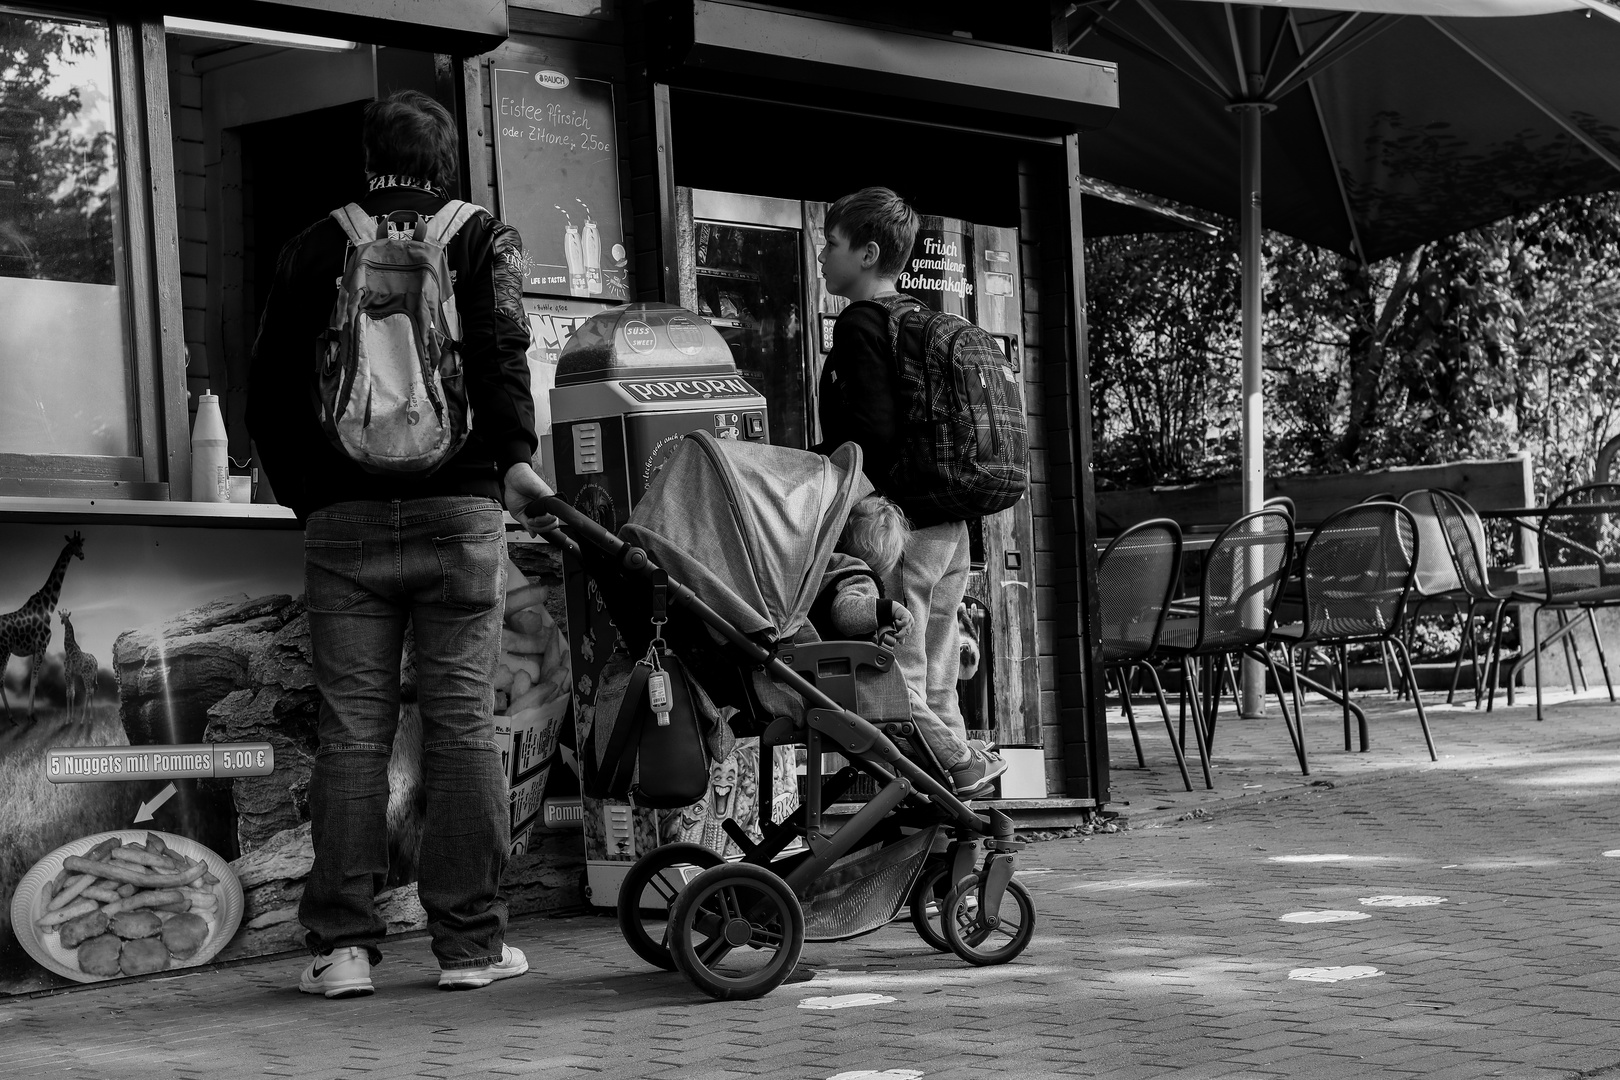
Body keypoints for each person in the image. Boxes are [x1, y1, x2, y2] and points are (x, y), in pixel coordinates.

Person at [248, 90, 558, 997]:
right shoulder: (480, 237)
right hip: (459, 513)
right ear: (445, 162)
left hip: (342, 521)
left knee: (352, 733)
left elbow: (268, 388)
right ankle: (468, 947)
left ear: (369, 157)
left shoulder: (316, 244)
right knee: (462, 724)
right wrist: (512, 461)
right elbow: (501, 353)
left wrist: (315, 496)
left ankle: (341, 950)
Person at [813, 186, 1007, 797]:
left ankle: (937, 784)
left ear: (867, 253)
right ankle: (959, 824)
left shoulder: (861, 326)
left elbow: (869, 437)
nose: (823, 256)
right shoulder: (916, 322)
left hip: (897, 529)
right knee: (940, 679)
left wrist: (804, 469)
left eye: (832, 244)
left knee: (897, 676)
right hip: (951, 526)